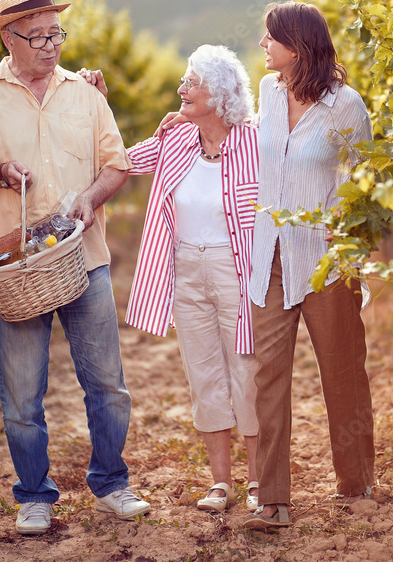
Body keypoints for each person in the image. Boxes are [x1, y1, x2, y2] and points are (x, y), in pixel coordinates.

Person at [0, 0, 147, 535]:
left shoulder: (85, 92)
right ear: (8, 37)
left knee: (107, 384)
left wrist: (90, 199)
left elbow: (116, 165)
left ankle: (112, 483)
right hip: (17, 273)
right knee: (22, 394)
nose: (52, 45)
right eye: (38, 36)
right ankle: (34, 495)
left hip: (85, 257)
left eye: (57, 33)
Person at [242, 1, 375, 529]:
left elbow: (360, 186)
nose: (262, 45)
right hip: (269, 255)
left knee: (341, 370)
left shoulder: (346, 107)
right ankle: (272, 499)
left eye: (270, 37)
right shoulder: (267, 94)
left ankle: (356, 484)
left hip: (325, 259)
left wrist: (345, 255)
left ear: (298, 46)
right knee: (268, 374)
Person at [126, 44, 261, 513]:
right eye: (183, 79)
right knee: (203, 373)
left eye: (193, 82)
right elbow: (122, 161)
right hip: (186, 268)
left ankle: (260, 481)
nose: (182, 88)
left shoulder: (255, 141)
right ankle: (220, 483)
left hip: (236, 271)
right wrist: (96, 104)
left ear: (220, 95)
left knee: (247, 370)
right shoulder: (176, 140)